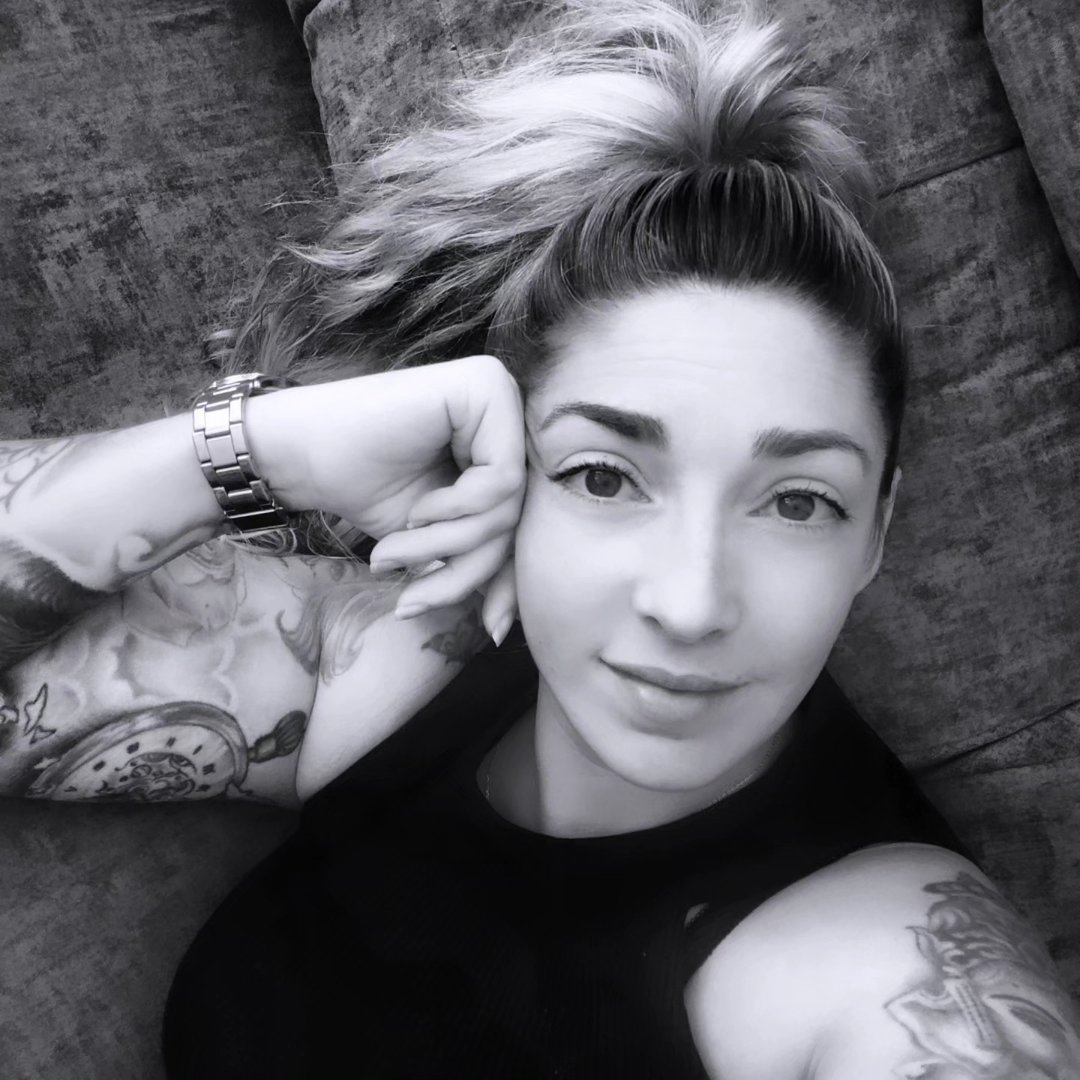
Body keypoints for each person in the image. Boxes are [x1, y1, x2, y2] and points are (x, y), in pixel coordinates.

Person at [1, 0, 1078, 1076]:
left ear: (875, 532)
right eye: (604, 477)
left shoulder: (893, 972)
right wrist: (256, 449)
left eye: (797, 502)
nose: (691, 604)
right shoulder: (393, 667)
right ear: (511, 471)